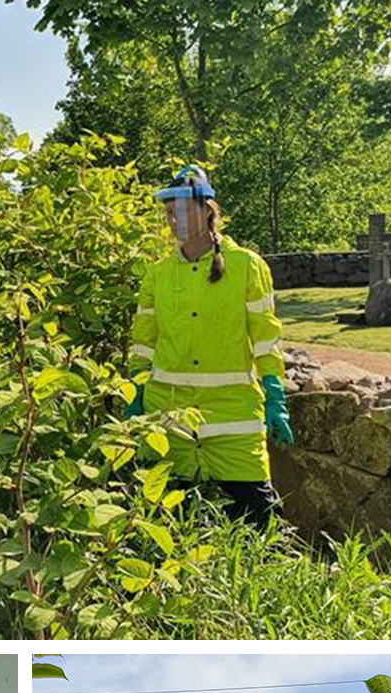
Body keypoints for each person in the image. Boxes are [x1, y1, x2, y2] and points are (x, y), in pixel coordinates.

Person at [126, 164, 291, 524]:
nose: (173, 220)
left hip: (233, 416)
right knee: (169, 523)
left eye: (182, 210)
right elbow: (143, 344)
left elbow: (265, 338)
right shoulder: (157, 274)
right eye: (169, 213)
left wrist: (275, 395)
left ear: (207, 211)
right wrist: (135, 393)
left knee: (261, 521)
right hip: (168, 417)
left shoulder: (247, 266)